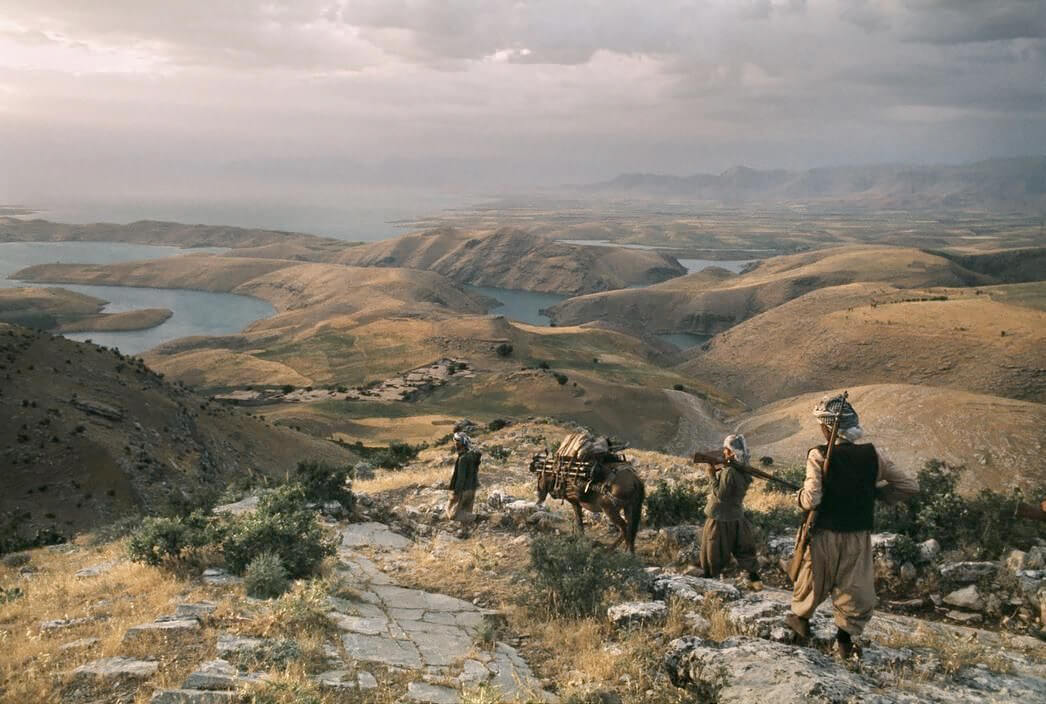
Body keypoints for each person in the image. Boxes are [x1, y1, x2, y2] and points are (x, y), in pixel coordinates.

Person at [784, 393, 917, 659]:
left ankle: (800, 628)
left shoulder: (818, 455)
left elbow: (811, 499)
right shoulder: (873, 455)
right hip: (857, 534)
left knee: (812, 580)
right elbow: (908, 487)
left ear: (827, 428)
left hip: (824, 534)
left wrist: (797, 496)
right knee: (853, 586)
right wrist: (878, 494)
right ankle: (844, 642)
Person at [699, 434, 763, 590]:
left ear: (731, 452)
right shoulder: (742, 469)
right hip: (736, 515)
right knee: (744, 549)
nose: (724, 452)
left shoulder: (729, 472)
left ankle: (709, 583)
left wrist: (711, 473)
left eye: (726, 450)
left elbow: (720, 495)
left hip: (720, 516)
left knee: (712, 551)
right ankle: (755, 580)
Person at [446, 431, 481, 522]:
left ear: (463, 443)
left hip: (464, 491)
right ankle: (472, 521)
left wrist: (456, 493)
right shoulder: (472, 455)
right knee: (466, 512)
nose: (455, 443)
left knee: (452, 515)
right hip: (472, 489)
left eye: (457, 441)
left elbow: (461, 479)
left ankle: (478, 518)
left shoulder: (463, 459)